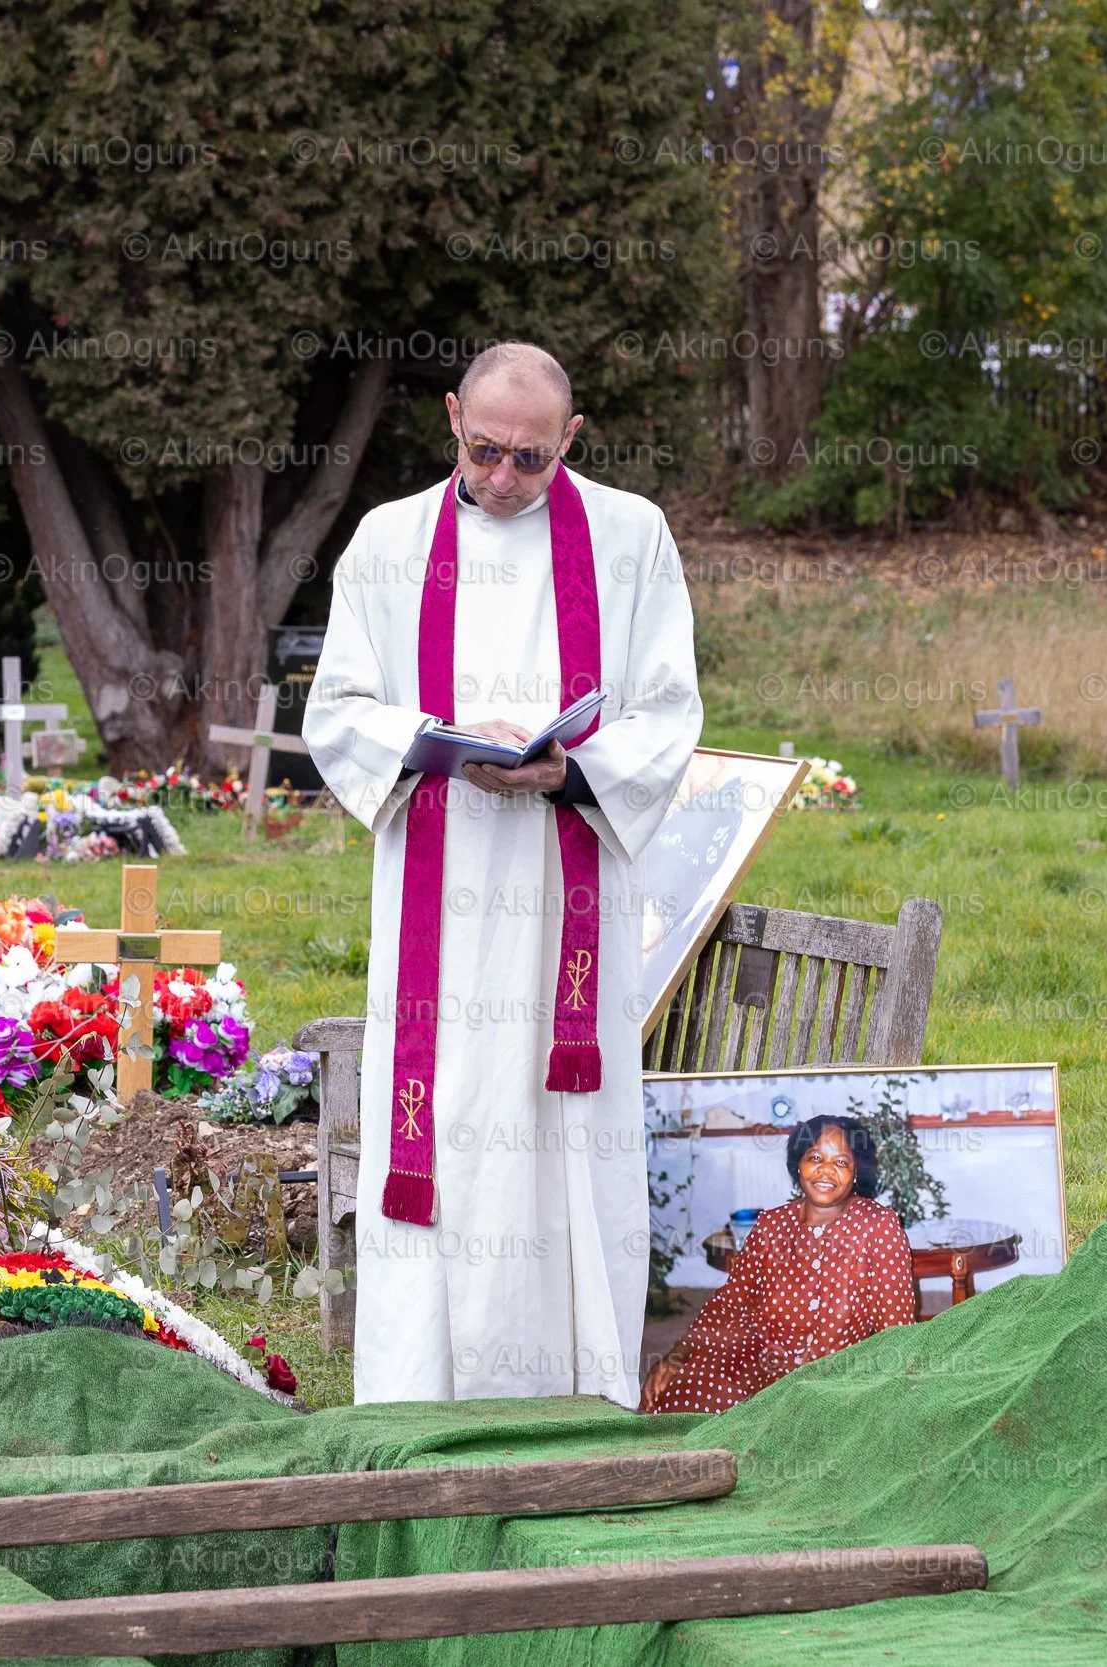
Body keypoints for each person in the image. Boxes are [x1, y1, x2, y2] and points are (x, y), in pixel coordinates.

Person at [304, 342, 702, 1406]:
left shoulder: (629, 537)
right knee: (447, 1115)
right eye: (484, 451)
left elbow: (670, 710)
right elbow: (335, 710)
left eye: (531, 458)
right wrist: (434, 733)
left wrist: (571, 767)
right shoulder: (389, 543)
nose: (504, 477)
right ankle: (422, 1389)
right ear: (449, 419)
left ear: (569, 439)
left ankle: (576, 1380)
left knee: (562, 1128)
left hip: (567, 889)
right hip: (440, 884)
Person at [640, 1115, 917, 1413]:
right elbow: (730, 1303)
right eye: (815, 1158)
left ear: (856, 1172)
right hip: (759, 1368)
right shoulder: (771, 1225)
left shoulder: (880, 1227)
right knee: (675, 1399)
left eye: (841, 1162)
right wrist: (678, 1355)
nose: (826, 1171)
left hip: (839, 1380)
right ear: (798, 1164)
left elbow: (896, 1332)